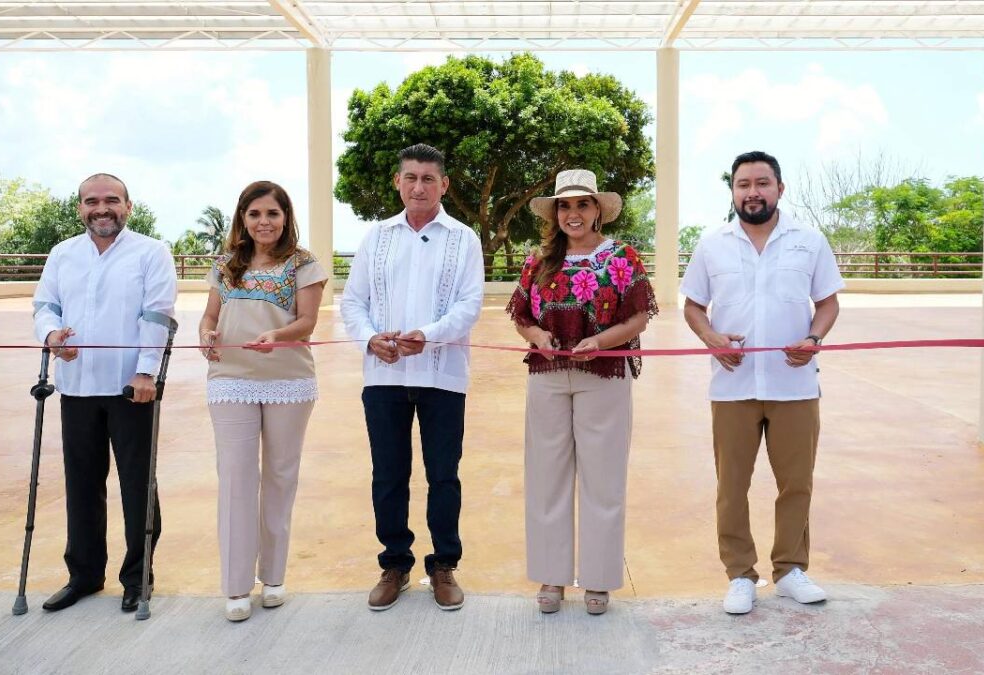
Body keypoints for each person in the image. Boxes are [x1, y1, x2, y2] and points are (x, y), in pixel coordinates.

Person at [679, 151, 844, 615]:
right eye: (743, 184)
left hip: (795, 384)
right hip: (732, 387)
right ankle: (740, 575)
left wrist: (814, 338)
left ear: (779, 188)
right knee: (732, 486)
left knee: (797, 484)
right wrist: (712, 339)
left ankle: (790, 571)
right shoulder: (712, 244)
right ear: (733, 191)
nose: (752, 192)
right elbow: (693, 306)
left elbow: (828, 302)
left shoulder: (808, 241)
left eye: (762, 183)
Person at [340, 143, 484, 611]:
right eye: (410, 177)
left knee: (443, 475)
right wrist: (369, 339)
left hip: (443, 376)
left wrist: (430, 335)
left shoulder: (463, 238)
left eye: (428, 179)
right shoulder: (376, 237)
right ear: (397, 183)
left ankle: (443, 565)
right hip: (383, 376)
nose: (418, 187)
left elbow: (470, 304)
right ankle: (395, 564)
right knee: (388, 474)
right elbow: (353, 301)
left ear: (444, 185)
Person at [506, 168, 657, 615]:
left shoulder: (622, 258)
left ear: (597, 211)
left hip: (603, 375)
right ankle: (551, 577)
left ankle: (598, 579)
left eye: (582, 204)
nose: (573, 213)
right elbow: (521, 316)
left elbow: (639, 316)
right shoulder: (538, 262)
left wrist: (601, 342)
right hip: (548, 375)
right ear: (555, 213)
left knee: (603, 477)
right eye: (565, 206)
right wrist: (537, 336)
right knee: (546, 476)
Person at [32, 173, 178, 613]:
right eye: (91, 201)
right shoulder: (62, 254)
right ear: (80, 208)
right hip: (76, 387)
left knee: (137, 485)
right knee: (81, 485)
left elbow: (157, 314)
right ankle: (84, 575)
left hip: (131, 388)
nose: (101, 208)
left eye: (111, 200)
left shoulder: (151, 252)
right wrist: (51, 336)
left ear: (128, 206)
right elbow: (45, 306)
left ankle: (137, 578)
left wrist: (146, 372)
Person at [198, 181, 328, 622]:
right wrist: (206, 334)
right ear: (243, 218)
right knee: (235, 478)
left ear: (286, 217)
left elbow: (307, 322)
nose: (263, 222)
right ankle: (236, 586)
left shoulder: (304, 264)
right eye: (254, 214)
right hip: (230, 380)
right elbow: (210, 315)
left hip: (288, 380)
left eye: (272, 213)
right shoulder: (225, 265)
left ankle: (273, 578)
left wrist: (277, 335)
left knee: (280, 477)